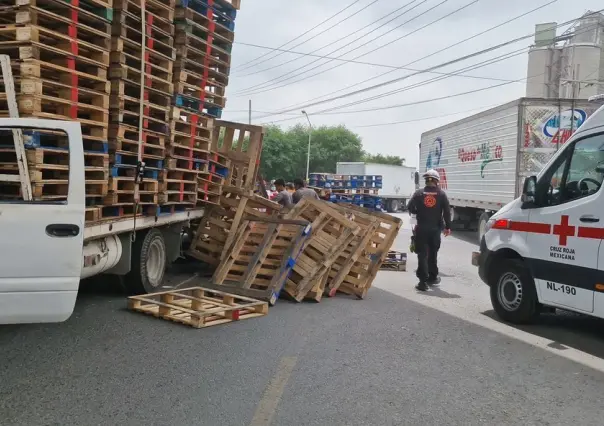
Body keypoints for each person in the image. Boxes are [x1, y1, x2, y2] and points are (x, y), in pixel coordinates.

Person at [407, 169, 451, 291]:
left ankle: (422, 282)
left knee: (422, 254)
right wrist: (448, 227)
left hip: (421, 228)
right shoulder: (441, 194)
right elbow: (447, 212)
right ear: (437, 181)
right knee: (433, 253)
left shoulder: (418, 193)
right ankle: (432, 277)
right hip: (435, 229)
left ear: (426, 180)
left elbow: (410, 207)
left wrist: (417, 213)